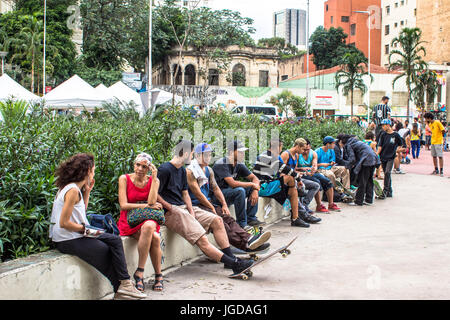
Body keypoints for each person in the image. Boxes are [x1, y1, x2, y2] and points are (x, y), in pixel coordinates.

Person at [49, 153, 147, 300]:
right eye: (93, 169)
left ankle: (124, 287)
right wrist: (85, 229)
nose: (94, 172)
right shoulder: (72, 190)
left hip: (75, 234)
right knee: (106, 251)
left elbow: (80, 213)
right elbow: (64, 223)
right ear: (88, 170)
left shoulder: (74, 188)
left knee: (114, 240)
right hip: (68, 239)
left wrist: (87, 192)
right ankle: (124, 287)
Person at [157, 140, 253, 275]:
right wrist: (170, 208)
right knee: (202, 239)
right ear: (185, 153)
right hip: (171, 212)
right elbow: (155, 193)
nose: (192, 157)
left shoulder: (182, 170)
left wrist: (191, 211)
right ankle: (235, 263)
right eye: (191, 154)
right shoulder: (164, 169)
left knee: (217, 220)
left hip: (184, 207)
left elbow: (185, 193)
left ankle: (230, 259)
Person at [186, 143, 271, 254]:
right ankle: (246, 246)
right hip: (198, 205)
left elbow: (216, 189)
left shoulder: (208, 170)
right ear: (197, 156)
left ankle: (249, 239)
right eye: (205, 155)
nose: (208, 158)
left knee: (229, 219)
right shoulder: (190, 171)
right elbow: (198, 194)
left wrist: (224, 205)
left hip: (209, 203)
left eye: (209, 155)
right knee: (222, 223)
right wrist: (212, 207)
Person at [117, 153, 163, 292]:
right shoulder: (124, 179)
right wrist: (146, 206)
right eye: (138, 165)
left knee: (149, 226)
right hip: (129, 220)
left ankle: (140, 272)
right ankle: (158, 275)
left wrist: (154, 179)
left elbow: (151, 201)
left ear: (149, 168)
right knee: (155, 237)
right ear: (134, 164)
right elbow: (124, 205)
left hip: (147, 219)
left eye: (144, 166)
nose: (140, 169)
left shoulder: (154, 180)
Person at [254, 138, 321, 228]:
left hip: (270, 185)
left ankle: (295, 218)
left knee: (292, 190)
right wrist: (299, 180)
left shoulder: (273, 156)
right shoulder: (266, 156)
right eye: (281, 147)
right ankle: (302, 215)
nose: (281, 150)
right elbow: (285, 169)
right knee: (290, 179)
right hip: (263, 187)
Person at [212, 140, 263, 229]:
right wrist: (252, 184)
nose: (243, 154)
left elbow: (255, 178)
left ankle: (251, 218)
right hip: (218, 195)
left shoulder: (238, 164)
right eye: (240, 152)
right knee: (240, 191)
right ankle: (242, 223)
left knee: (251, 188)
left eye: (243, 152)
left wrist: (255, 190)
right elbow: (232, 183)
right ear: (231, 152)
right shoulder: (222, 163)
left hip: (230, 192)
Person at [279, 138, 322, 223]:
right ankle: (304, 215)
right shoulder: (286, 154)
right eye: (302, 149)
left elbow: (293, 170)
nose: (303, 151)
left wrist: (302, 172)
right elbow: (280, 171)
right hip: (286, 181)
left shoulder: (296, 156)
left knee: (315, 185)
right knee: (297, 188)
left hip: (294, 178)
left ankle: (304, 207)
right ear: (297, 146)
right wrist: (295, 177)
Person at [297, 139, 341, 213]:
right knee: (317, 183)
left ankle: (331, 204)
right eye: (304, 149)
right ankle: (318, 205)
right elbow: (294, 168)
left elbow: (315, 164)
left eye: (308, 149)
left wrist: (313, 169)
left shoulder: (313, 153)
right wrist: (303, 169)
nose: (306, 151)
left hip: (310, 173)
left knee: (328, 182)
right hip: (301, 173)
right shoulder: (298, 154)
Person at [340, 135, 380, 206]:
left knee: (362, 180)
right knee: (369, 180)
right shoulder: (358, 142)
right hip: (373, 159)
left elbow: (352, 158)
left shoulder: (349, 145)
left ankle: (358, 201)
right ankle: (369, 199)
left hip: (366, 160)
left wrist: (348, 167)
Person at [377, 119, 404, 198]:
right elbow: (380, 146)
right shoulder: (383, 134)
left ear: (388, 125)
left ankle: (385, 190)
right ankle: (390, 191)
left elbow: (400, 144)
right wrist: (376, 154)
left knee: (387, 172)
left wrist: (397, 150)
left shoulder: (395, 135)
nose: (382, 127)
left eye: (383, 125)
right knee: (386, 173)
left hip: (391, 157)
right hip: (383, 156)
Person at [424, 112, 445, 176]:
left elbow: (443, 130)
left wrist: (442, 138)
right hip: (433, 141)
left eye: (426, 119)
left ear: (429, 118)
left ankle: (441, 170)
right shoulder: (430, 124)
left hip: (438, 141)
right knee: (434, 156)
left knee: (440, 156)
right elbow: (433, 131)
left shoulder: (437, 122)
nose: (425, 120)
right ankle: (436, 169)